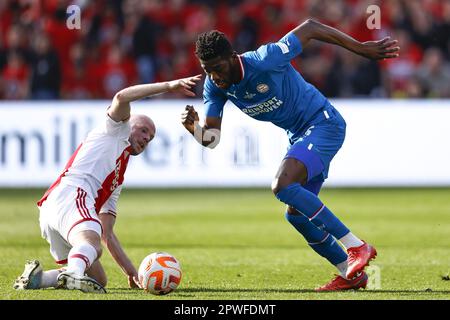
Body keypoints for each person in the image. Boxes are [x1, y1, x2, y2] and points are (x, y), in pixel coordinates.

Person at [181, 19, 399, 291]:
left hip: (323, 123)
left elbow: (310, 28)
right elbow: (211, 140)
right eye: (207, 70)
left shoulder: (264, 59)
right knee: (295, 215)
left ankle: (356, 246)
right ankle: (350, 273)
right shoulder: (216, 88)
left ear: (232, 56)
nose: (214, 75)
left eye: (217, 67)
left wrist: (359, 48)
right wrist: (193, 129)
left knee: (282, 185)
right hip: (299, 135)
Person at [14, 74, 201, 293]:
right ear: (129, 123)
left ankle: (39, 279)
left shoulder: (116, 177)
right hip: (72, 193)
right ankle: (73, 272)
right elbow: (122, 96)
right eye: (143, 130)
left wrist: (131, 271)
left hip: (54, 208)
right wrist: (169, 86)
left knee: (98, 278)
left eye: (149, 138)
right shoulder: (115, 130)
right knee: (91, 244)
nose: (146, 138)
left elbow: (107, 233)